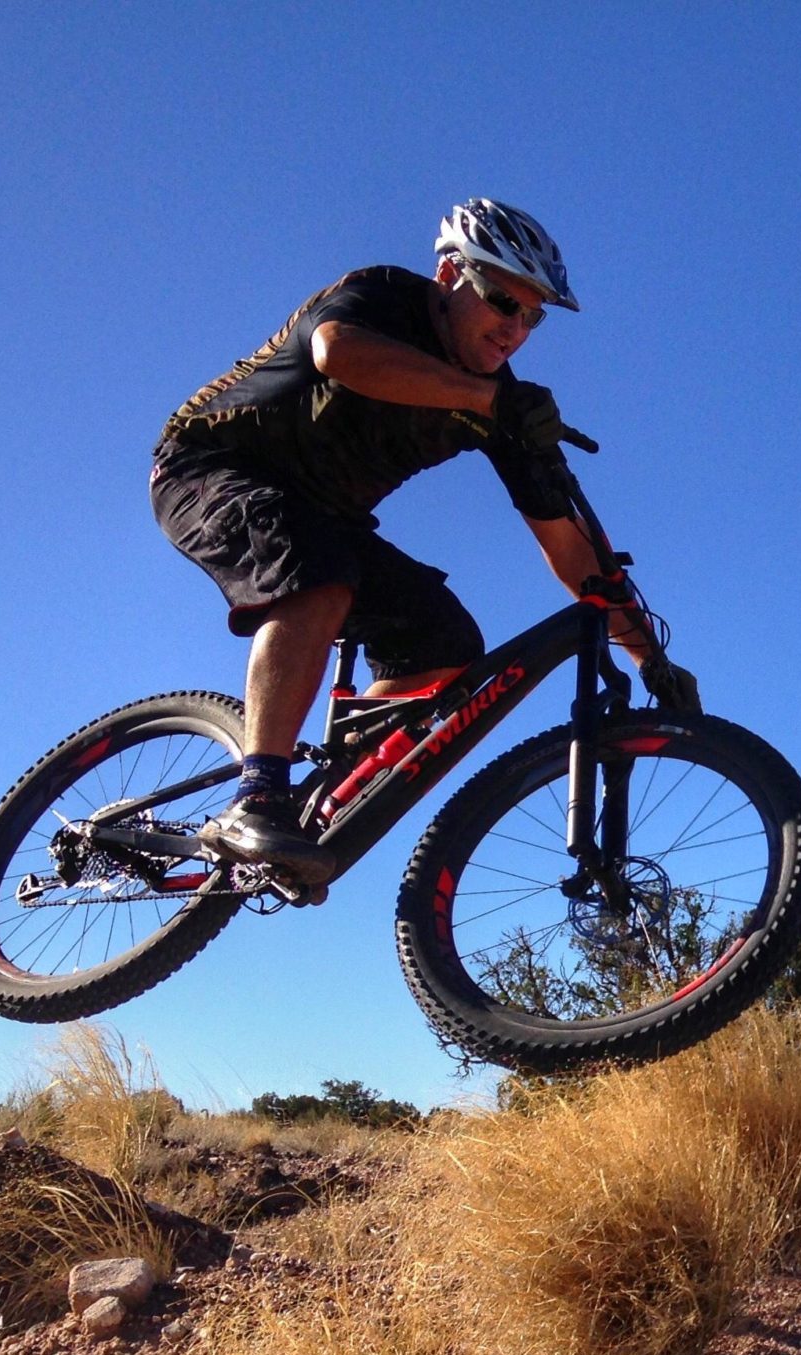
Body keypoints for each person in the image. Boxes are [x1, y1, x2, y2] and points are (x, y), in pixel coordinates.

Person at [152, 197, 693, 884]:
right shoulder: (381, 296)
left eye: (533, 316)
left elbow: (571, 548)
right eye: (503, 301)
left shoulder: (502, 401)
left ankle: (318, 791)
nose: (516, 330)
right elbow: (338, 354)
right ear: (448, 276)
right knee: (317, 571)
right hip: (212, 468)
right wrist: (481, 401)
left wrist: (651, 660)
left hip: (329, 519)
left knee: (448, 646)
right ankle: (257, 794)